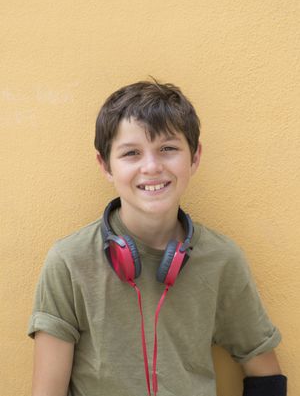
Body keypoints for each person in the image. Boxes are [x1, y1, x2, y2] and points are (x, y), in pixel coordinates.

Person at [28, 79, 287, 396]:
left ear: (194, 157)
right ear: (105, 165)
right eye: (131, 153)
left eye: (168, 149)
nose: (151, 167)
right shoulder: (69, 261)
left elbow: (266, 375)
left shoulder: (223, 259)